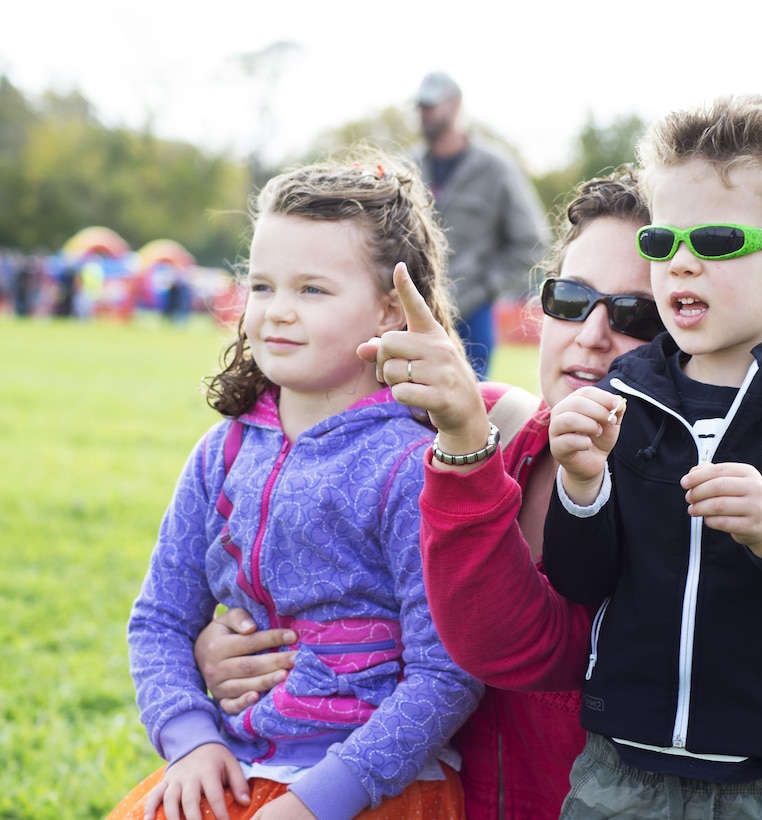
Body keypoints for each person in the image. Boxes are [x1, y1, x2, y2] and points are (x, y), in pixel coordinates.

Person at [192, 168, 662, 819]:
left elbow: (508, 649)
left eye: (637, 313)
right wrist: (225, 648)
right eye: (571, 299)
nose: (591, 335)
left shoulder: (684, 506)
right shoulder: (480, 425)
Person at [540, 95, 762, 817]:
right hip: (617, 773)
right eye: (660, 243)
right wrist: (581, 485)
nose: (679, 264)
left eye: (712, 242)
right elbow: (581, 580)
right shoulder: (625, 394)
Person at [110, 155, 483, 820]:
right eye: (261, 286)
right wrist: (189, 740)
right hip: (229, 767)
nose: (277, 312)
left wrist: (319, 801)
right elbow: (160, 618)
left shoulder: (411, 468)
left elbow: (447, 674)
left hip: (372, 788)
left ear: (390, 312)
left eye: (312, 290)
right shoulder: (221, 453)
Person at [414, 70, 551, 379]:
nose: (423, 114)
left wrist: (488, 288)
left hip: (470, 317)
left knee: (470, 407)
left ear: (455, 106)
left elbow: (532, 240)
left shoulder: (495, 168)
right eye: (420, 107)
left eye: (431, 106)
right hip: (411, 312)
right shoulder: (408, 166)